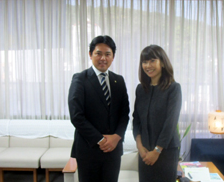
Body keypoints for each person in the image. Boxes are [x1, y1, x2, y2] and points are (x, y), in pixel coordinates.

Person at [68, 35, 130, 182]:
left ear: (113, 57)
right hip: (89, 149)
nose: (103, 58)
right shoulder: (80, 79)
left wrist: (116, 137)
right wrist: (100, 140)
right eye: (98, 53)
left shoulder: (118, 80)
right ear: (90, 55)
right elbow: (77, 116)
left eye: (107, 54)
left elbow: (124, 113)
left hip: (113, 150)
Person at [133, 45, 182, 182]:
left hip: (166, 151)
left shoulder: (173, 88)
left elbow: (170, 122)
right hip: (145, 152)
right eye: (144, 62)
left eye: (152, 61)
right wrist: (140, 147)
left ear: (162, 62)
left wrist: (157, 151)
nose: (148, 65)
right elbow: (136, 120)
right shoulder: (141, 89)